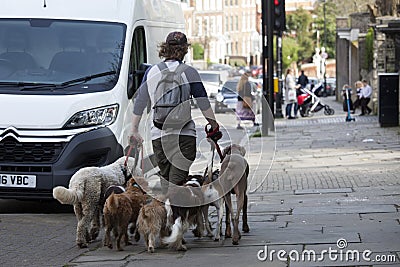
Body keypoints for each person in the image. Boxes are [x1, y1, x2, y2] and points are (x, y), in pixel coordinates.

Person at [130, 31, 221, 194]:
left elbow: (140, 103)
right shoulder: (189, 72)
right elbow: (203, 102)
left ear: (165, 48)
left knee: (166, 183)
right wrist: (213, 125)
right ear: (185, 49)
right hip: (184, 135)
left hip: (159, 135)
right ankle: (175, 216)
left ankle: (168, 215)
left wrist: (134, 130)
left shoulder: (151, 72)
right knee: (177, 182)